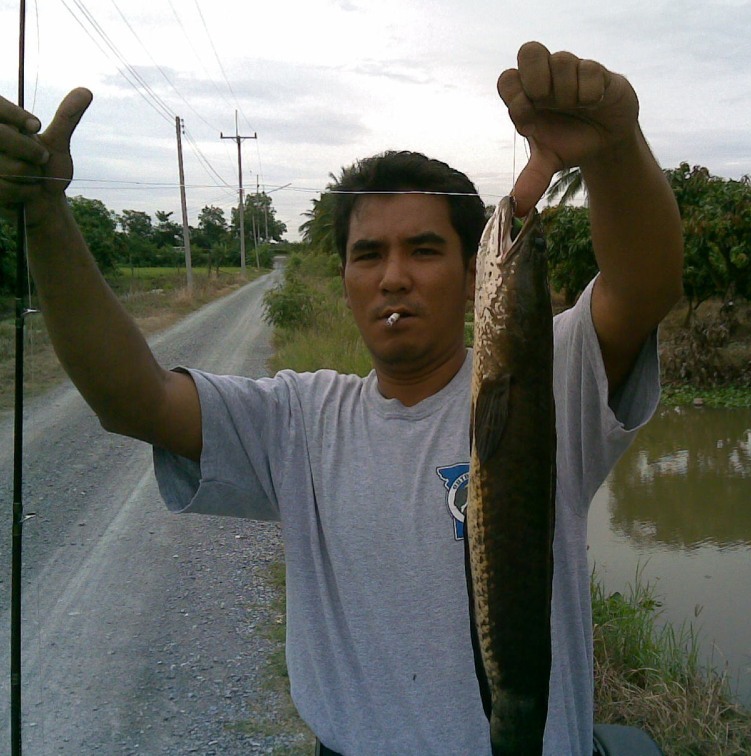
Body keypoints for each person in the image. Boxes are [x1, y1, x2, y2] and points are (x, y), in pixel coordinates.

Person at [0, 41, 683, 755]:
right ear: (346, 279)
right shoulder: (298, 419)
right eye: (367, 255)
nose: (393, 278)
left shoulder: (546, 376)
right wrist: (46, 219)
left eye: (423, 250)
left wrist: (615, 146)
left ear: (474, 269)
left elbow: (645, 285)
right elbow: (131, 401)